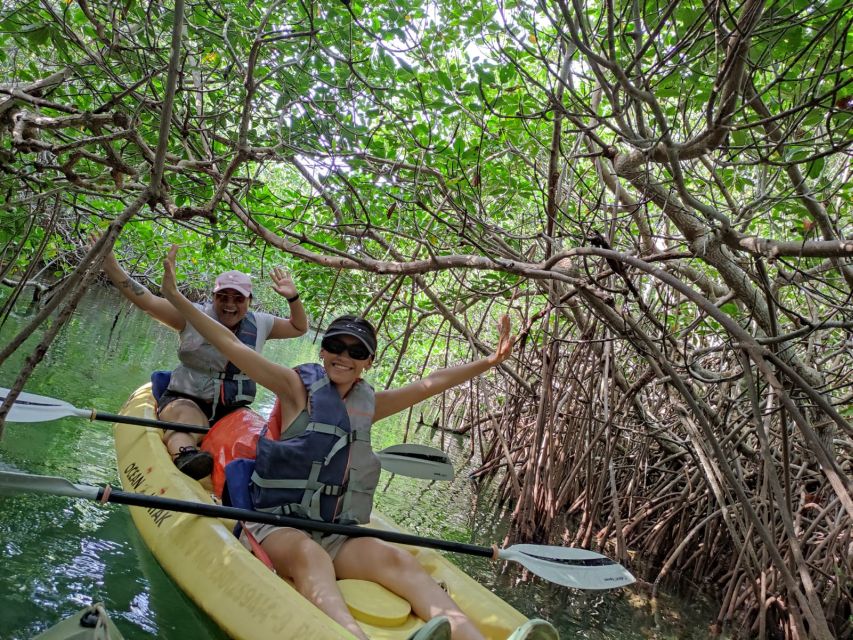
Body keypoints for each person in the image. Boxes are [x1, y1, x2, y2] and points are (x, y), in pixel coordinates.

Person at [160, 246, 557, 640]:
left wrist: (488, 362)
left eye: (356, 351)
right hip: (277, 525)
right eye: (335, 346)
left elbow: (431, 383)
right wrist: (177, 298)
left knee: (396, 559)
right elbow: (231, 346)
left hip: (332, 530)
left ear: (368, 361)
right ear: (323, 350)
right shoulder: (294, 388)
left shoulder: (368, 404)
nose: (343, 356)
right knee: (310, 557)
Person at [90, 233, 308, 479]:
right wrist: (110, 265)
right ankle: (186, 456)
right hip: (187, 398)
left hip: (233, 409)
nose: (229, 305)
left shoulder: (262, 323)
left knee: (254, 440)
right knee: (189, 422)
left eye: (238, 299)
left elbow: (299, 327)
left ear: (249, 300)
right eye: (222, 297)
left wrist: (293, 297)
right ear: (213, 296)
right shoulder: (191, 315)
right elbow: (148, 302)